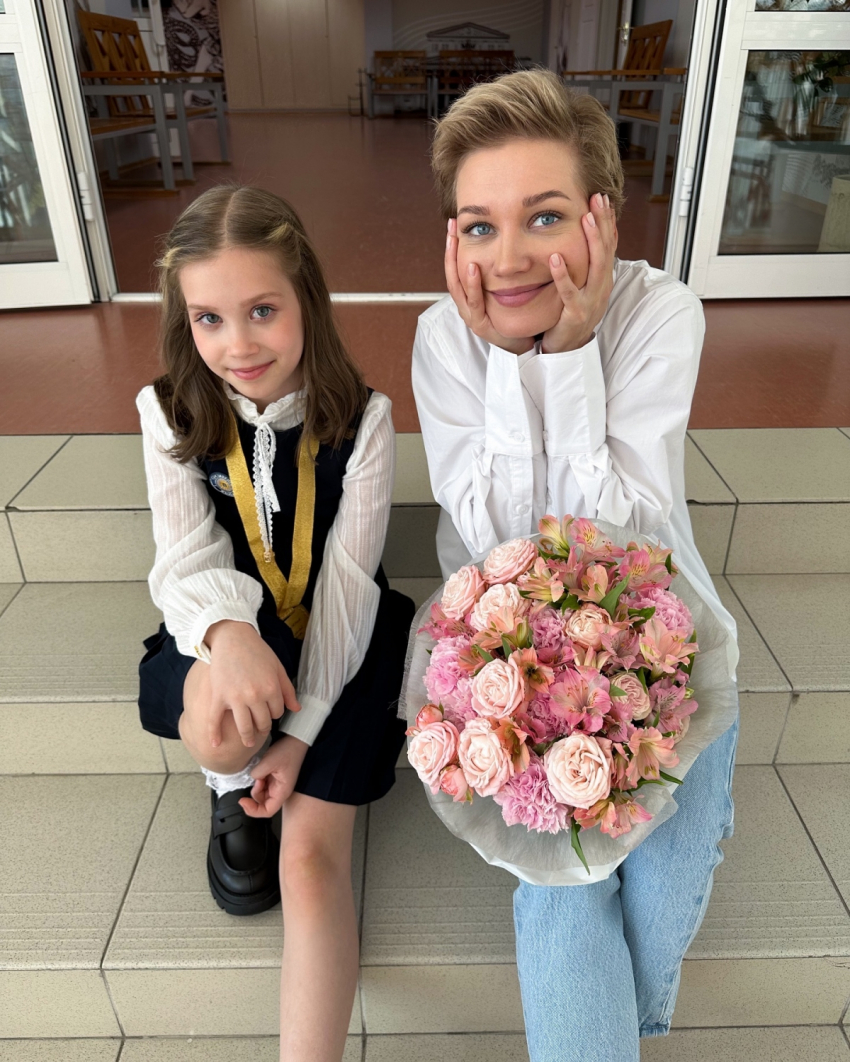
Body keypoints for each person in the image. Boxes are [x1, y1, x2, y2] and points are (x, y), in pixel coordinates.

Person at [411, 70, 740, 1062]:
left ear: (603, 213)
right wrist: (518, 360)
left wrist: (577, 346)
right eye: (479, 226)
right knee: (567, 888)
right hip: (504, 654)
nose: (508, 257)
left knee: (664, 873)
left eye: (544, 217)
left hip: (660, 634)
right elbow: (497, 536)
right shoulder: (443, 338)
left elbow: (620, 538)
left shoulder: (661, 313)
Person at [136, 185, 414, 1062]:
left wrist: (299, 732)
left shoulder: (365, 420)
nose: (239, 344)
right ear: (185, 320)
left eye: (263, 310)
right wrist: (229, 640)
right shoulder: (167, 409)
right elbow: (185, 559)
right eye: (209, 319)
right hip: (225, 628)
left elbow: (347, 589)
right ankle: (230, 787)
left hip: (338, 638)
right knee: (220, 720)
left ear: (307, 301)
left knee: (307, 863)